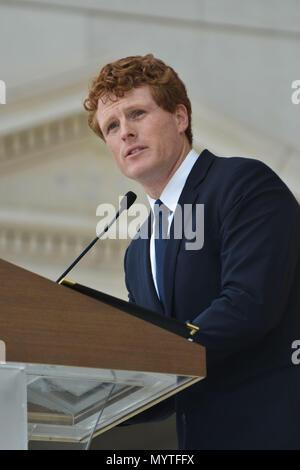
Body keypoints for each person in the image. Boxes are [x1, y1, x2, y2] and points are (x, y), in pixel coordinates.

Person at [84, 54, 300, 450]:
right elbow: (161, 383)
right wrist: (94, 394)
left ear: (180, 118)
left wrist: (153, 361)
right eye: (112, 126)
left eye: (137, 114)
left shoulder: (242, 184)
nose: (125, 132)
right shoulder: (137, 251)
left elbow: (248, 305)